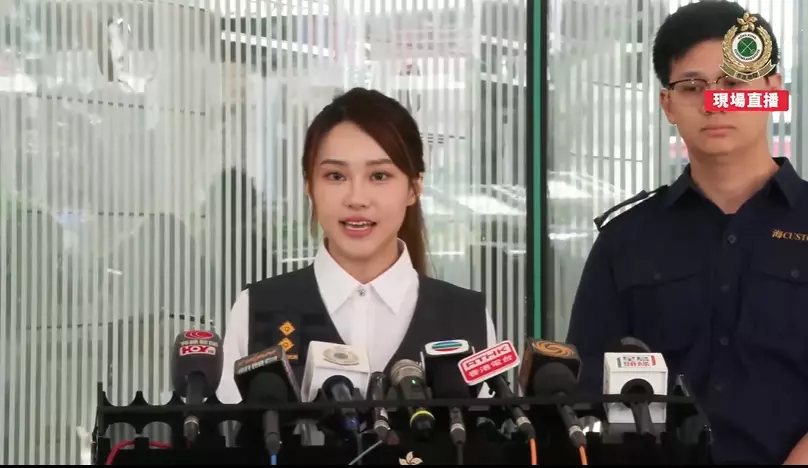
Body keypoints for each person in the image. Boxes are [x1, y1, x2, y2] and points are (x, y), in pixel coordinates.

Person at [565, 2, 808, 465]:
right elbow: (586, 392)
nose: (714, 102)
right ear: (668, 105)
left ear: (772, 91)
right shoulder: (625, 240)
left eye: (733, 84)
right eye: (692, 87)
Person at [216, 87, 497, 404]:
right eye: (336, 176)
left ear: (414, 188)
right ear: (309, 185)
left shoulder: (466, 316)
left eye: (379, 175)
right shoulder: (257, 309)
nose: (357, 199)